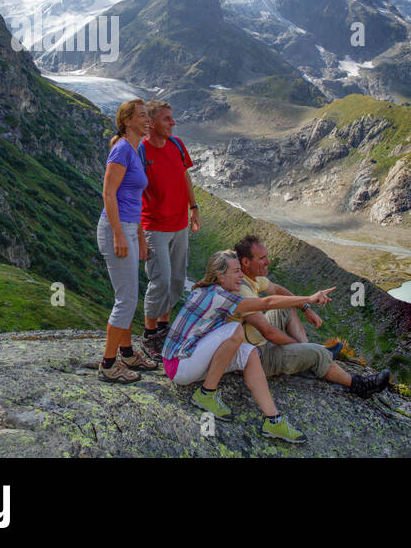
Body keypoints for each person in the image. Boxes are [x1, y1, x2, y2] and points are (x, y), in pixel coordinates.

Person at [161, 251, 336, 444]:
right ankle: (206, 394)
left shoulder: (213, 291)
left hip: (190, 359)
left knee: (248, 352)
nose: (241, 276)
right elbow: (266, 302)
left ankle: (273, 420)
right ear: (220, 276)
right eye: (236, 272)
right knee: (235, 330)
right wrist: (309, 300)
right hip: (178, 365)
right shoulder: (217, 296)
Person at [229, 234, 391, 398]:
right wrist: (300, 347)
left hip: (255, 340)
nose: (268, 262)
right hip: (256, 357)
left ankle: (307, 355)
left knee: (287, 306)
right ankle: (359, 385)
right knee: (318, 353)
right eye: (262, 258)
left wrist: (305, 307)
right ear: (246, 262)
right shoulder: (241, 290)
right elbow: (268, 332)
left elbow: (277, 290)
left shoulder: (249, 277)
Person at [95, 99, 159, 383]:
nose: (148, 121)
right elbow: (109, 194)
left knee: (129, 294)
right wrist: (120, 235)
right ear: (127, 120)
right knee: (126, 299)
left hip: (129, 228)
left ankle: (128, 353)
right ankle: (108, 365)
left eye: (148, 116)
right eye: (143, 116)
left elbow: (132, 199)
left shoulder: (133, 149)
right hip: (115, 229)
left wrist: (139, 237)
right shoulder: (121, 149)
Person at [138, 100, 199, 360]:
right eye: (167, 119)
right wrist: (138, 233)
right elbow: (131, 191)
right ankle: (149, 334)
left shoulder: (176, 144)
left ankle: (164, 326)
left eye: (171, 118)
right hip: (154, 227)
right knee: (160, 279)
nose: (173, 123)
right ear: (151, 123)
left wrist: (194, 206)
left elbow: (185, 175)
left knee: (176, 279)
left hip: (180, 224)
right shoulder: (140, 151)